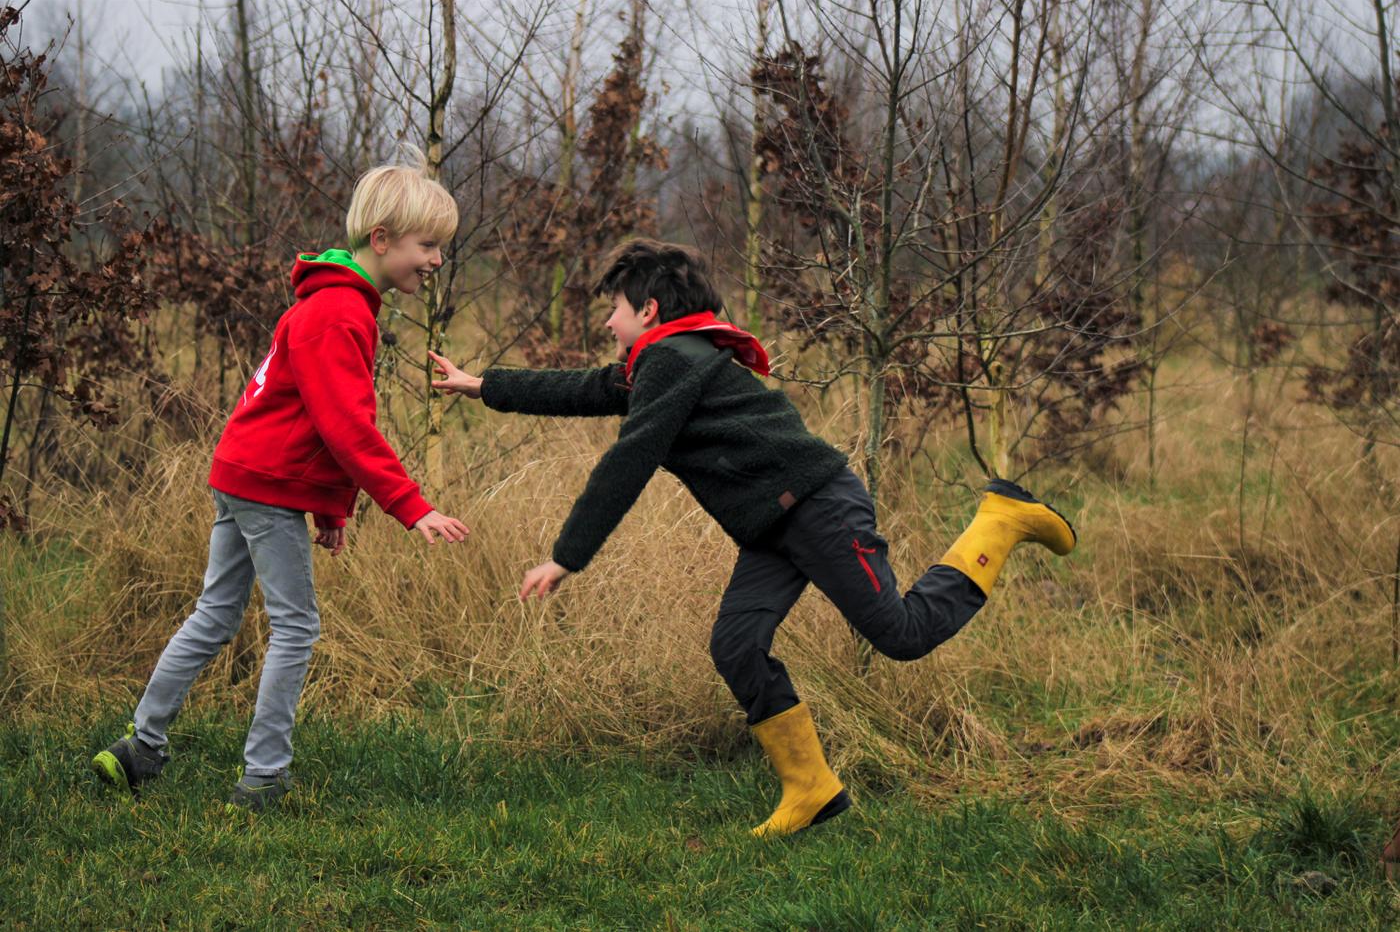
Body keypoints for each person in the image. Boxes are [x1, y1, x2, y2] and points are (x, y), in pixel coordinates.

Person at [428, 238, 1075, 836]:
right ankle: (812, 789)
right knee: (737, 645)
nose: (608, 324)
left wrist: (566, 557)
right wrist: (484, 385)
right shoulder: (666, 359)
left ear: (648, 309)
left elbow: (630, 458)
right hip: (773, 525)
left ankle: (998, 521)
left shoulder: (671, 359)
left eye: (616, 311)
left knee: (901, 634)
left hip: (818, 507)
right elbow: (588, 388)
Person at [91, 151, 471, 812]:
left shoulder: (328, 301)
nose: (436, 260)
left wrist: (329, 507)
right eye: (428, 245)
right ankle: (263, 776)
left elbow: (305, 416)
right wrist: (411, 507)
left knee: (216, 613)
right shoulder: (341, 313)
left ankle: (141, 745)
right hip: (264, 484)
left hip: (245, 472)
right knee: (295, 627)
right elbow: (347, 427)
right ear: (381, 240)